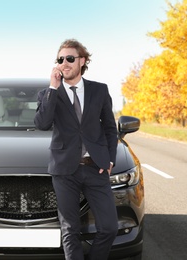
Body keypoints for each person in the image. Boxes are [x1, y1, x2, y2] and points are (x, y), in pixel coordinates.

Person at [34, 39, 118, 260]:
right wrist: (53, 86)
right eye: (60, 59)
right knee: (70, 229)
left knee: (109, 227)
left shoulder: (99, 90)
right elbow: (42, 123)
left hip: (96, 168)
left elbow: (110, 128)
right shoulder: (48, 94)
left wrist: (110, 160)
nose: (65, 63)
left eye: (70, 58)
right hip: (64, 170)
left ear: (82, 61)